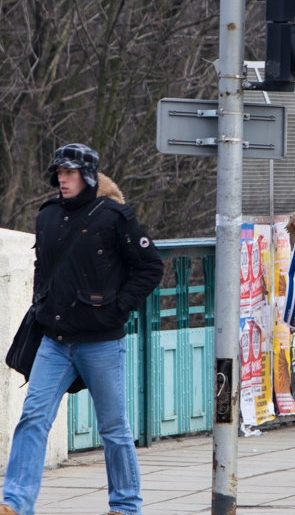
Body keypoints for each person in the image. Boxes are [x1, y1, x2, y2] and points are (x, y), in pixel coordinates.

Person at [1, 144, 164, 515]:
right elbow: (43, 268)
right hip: (54, 342)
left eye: (70, 172)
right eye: (59, 172)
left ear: (88, 176)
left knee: (114, 429)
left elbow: (150, 267)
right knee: (33, 419)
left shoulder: (115, 217)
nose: (62, 178)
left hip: (101, 342)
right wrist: (42, 303)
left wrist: (118, 309)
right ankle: (15, 503)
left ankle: (125, 507)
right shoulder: (47, 216)